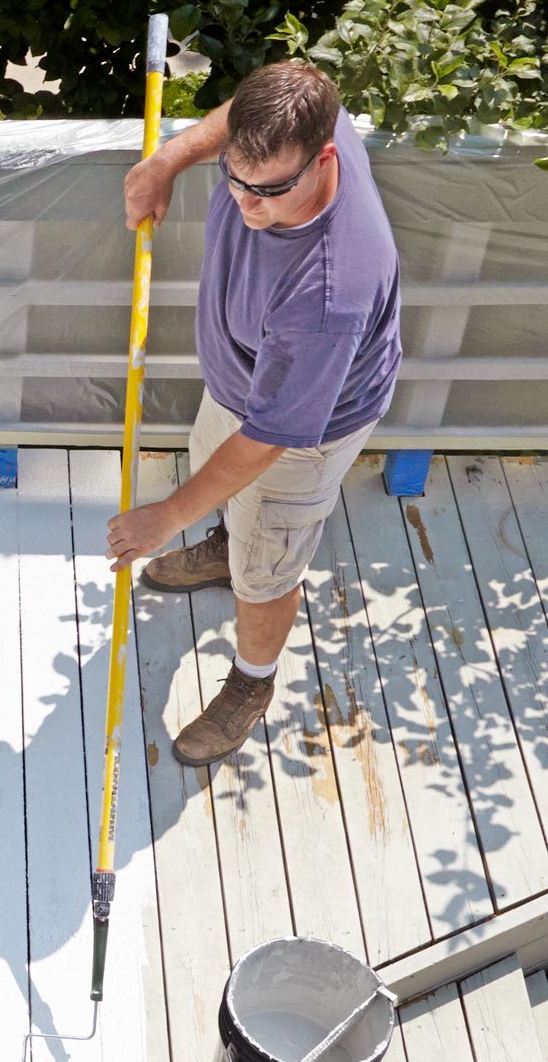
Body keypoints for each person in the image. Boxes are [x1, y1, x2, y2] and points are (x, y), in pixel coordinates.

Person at [108, 59, 401, 766]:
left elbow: (269, 440)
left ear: (325, 157)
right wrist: (171, 160)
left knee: (268, 566)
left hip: (296, 433)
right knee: (226, 489)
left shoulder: (327, 294)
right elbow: (244, 105)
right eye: (234, 179)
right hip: (241, 387)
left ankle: (252, 683)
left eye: (268, 191)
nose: (244, 203)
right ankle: (224, 545)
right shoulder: (288, 121)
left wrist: (163, 516)